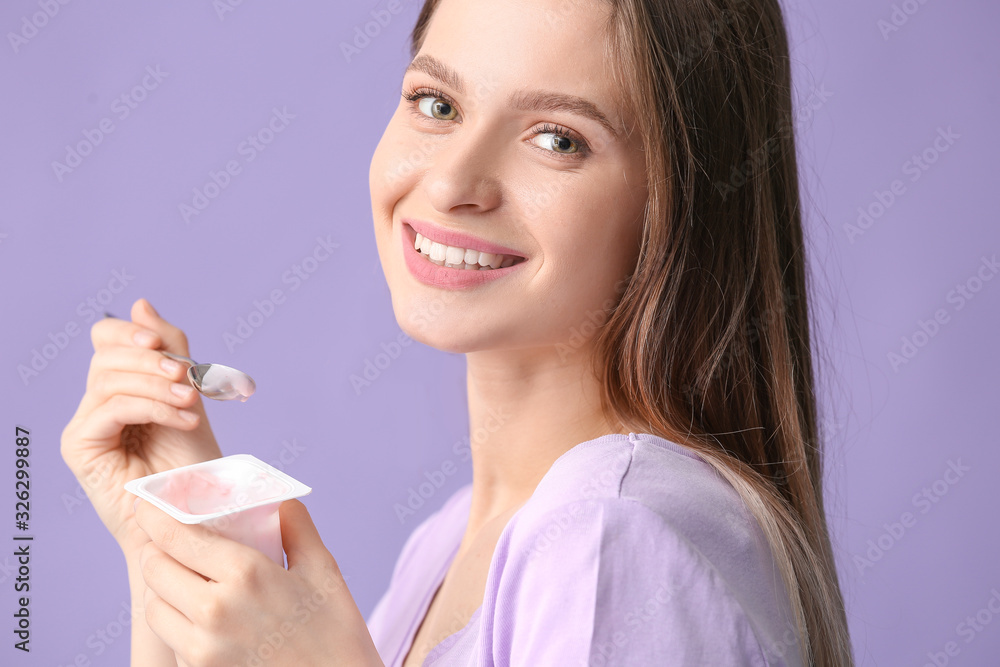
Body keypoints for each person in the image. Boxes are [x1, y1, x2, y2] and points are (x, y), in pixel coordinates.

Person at [60, 0, 854, 665]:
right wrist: (172, 532)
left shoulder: (613, 535)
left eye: (557, 138)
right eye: (437, 104)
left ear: (680, 206)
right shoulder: (447, 542)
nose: (449, 182)